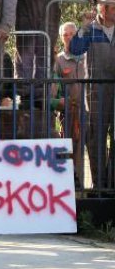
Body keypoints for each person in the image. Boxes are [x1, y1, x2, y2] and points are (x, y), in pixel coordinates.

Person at [70, 0, 115, 189]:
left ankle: (112, 184)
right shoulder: (91, 29)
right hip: (96, 91)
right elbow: (75, 49)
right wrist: (84, 27)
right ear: (103, 10)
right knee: (96, 138)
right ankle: (99, 186)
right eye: (113, 8)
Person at [54, 21, 87, 185]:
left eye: (71, 34)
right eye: (64, 35)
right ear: (61, 38)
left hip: (93, 110)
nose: (68, 38)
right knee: (71, 150)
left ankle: (100, 186)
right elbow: (55, 89)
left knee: (97, 147)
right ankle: (74, 186)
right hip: (70, 113)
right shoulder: (58, 60)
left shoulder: (87, 56)